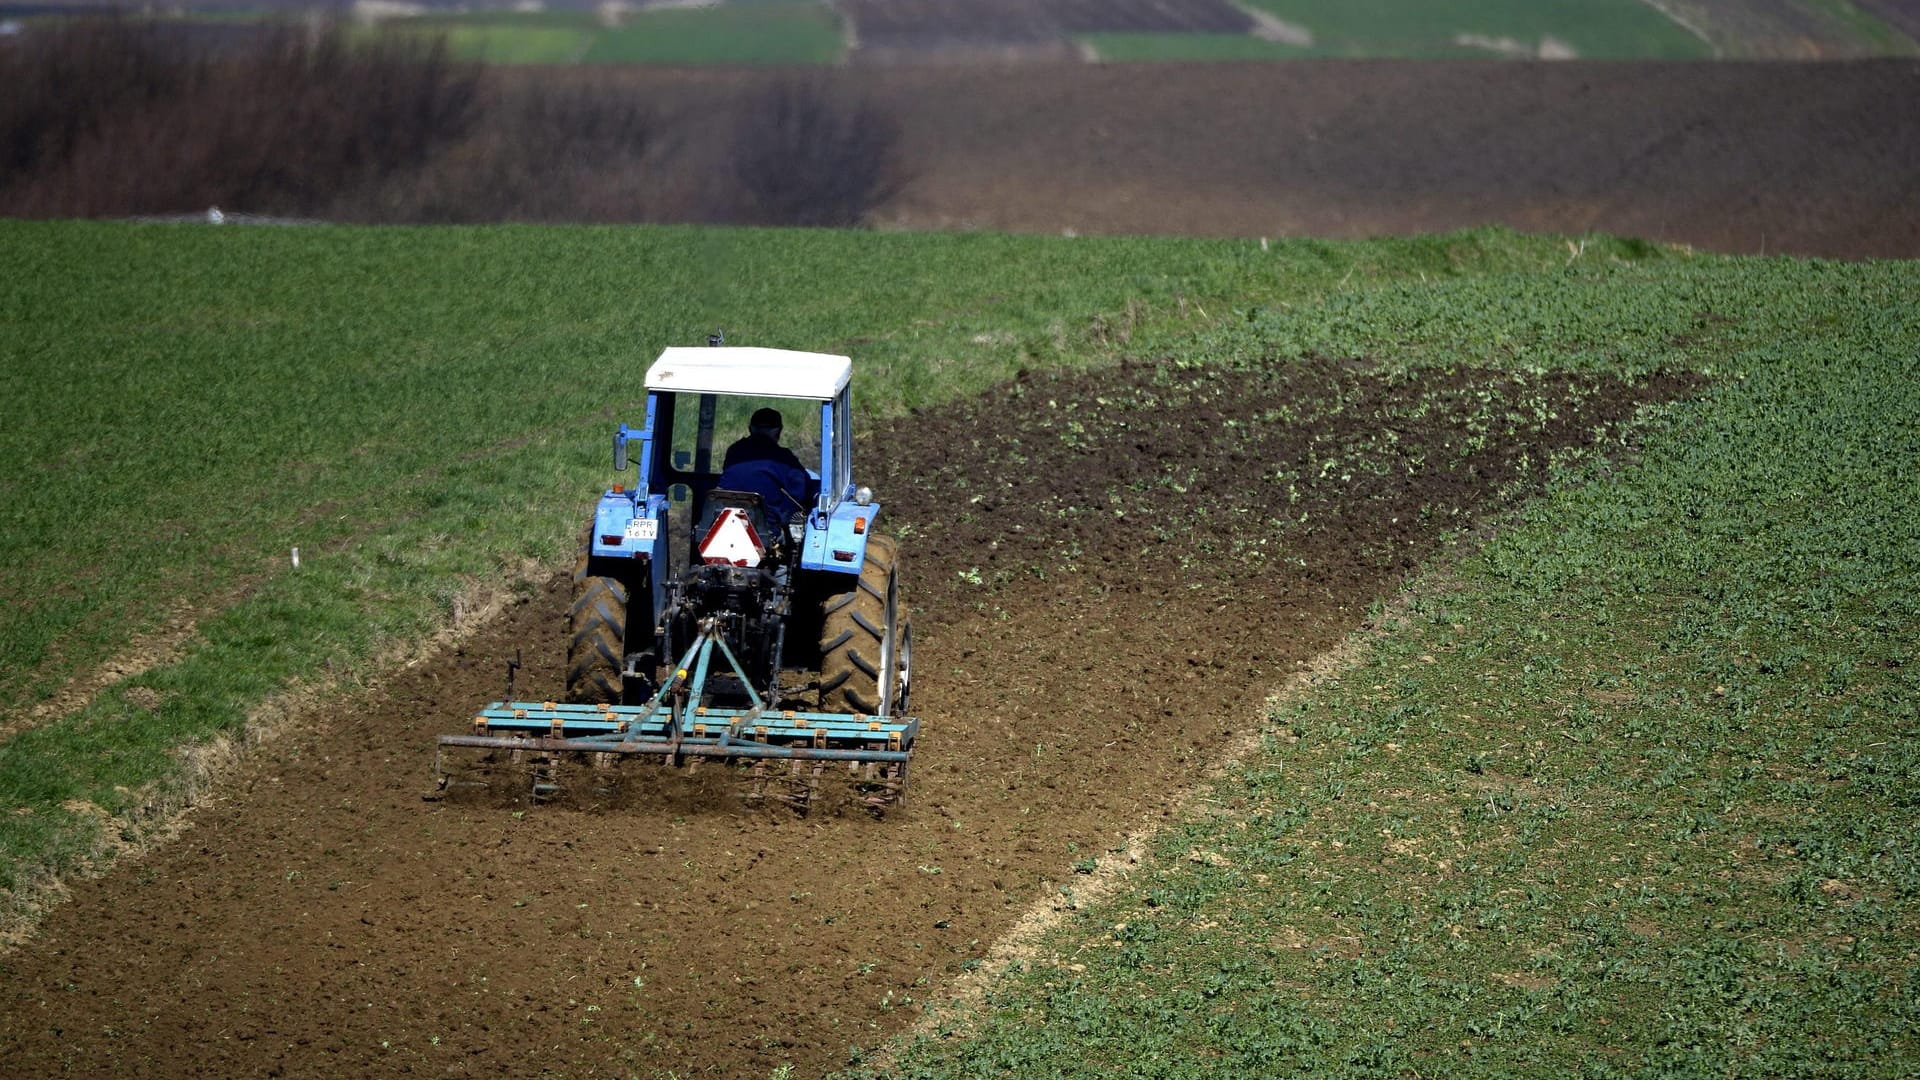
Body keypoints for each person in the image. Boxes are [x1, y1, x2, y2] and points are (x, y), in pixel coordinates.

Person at [719, 407, 818, 519]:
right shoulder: (783, 457)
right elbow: (800, 489)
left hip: (722, 514)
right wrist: (784, 514)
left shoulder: (734, 450)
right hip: (764, 525)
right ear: (778, 432)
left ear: (750, 429)